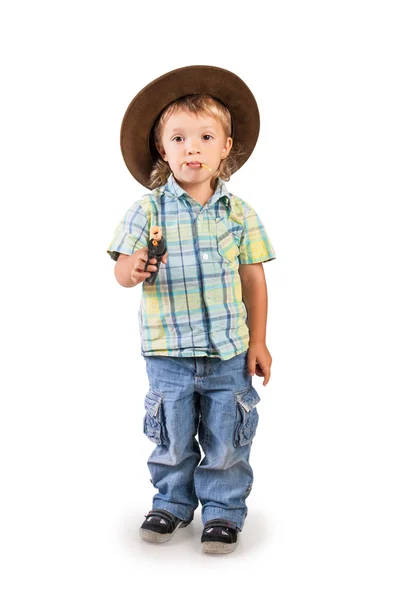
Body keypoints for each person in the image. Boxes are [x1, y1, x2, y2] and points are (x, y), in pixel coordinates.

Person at [107, 65, 276, 554]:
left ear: (227, 148)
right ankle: (172, 502)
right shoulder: (148, 211)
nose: (192, 148)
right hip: (168, 354)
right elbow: (120, 270)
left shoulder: (239, 213)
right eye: (178, 138)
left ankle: (223, 510)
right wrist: (133, 267)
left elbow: (253, 279)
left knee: (227, 437)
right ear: (163, 149)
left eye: (205, 136)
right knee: (173, 437)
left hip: (228, 352)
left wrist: (260, 341)